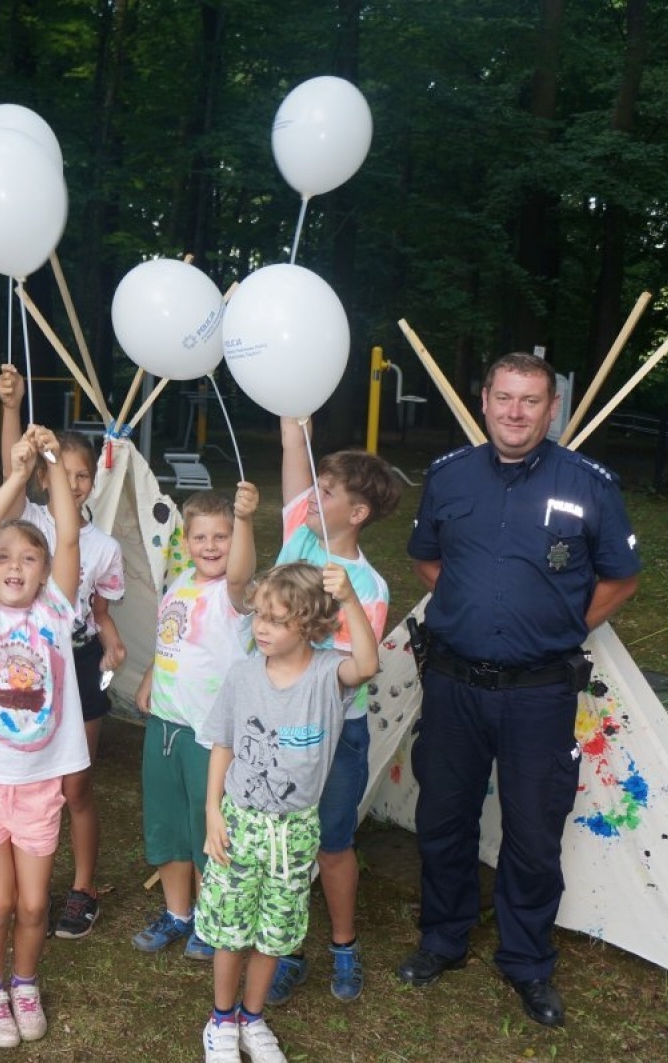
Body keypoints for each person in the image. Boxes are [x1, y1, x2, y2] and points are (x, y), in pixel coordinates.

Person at [397, 352, 641, 1028]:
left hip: (539, 692)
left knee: (533, 833)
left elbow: (621, 576)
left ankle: (527, 960)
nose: (515, 411)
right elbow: (427, 557)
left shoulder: (589, 483)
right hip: (453, 683)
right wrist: (475, 608)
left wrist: (557, 623)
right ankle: (442, 938)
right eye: (504, 397)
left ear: (552, 407)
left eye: (530, 400)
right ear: (484, 401)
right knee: (444, 817)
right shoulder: (448, 477)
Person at [197, 562, 381, 1063]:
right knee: (231, 929)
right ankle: (220, 1021)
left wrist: (349, 599)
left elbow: (366, 665)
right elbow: (224, 744)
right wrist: (214, 811)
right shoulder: (242, 675)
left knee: (274, 932)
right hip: (238, 823)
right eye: (260, 616)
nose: (262, 628)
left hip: (296, 830)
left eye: (277, 621)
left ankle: (252, 1019)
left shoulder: (328, 673)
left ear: (309, 624)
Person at [0, 424, 88, 1049]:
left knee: (34, 908)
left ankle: (24, 982)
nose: (14, 566)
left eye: (28, 558)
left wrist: (53, 461)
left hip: (38, 787)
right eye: (4, 558)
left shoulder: (56, 612)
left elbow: (68, 533)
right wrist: (15, 475)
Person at [265, 421, 401, 1003]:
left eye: (328, 491)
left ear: (358, 513)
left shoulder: (368, 587)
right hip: (277, 725)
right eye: (316, 487)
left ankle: (344, 945)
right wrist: (295, 420)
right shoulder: (299, 534)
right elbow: (293, 451)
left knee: (333, 842)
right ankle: (289, 948)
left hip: (337, 733)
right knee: (285, 841)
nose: (314, 496)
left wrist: (337, 601)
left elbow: (350, 671)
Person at [0, 365, 127, 939]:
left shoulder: (103, 546)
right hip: (26, 659)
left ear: (93, 481)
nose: (72, 484)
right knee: (29, 776)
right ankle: (29, 882)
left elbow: (99, 605)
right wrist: (13, 410)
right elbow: (11, 471)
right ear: (46, 479)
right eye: (62, 473)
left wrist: (108, 632)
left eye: (82, 475)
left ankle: (83, 887)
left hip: (76, 662)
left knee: (76, 784)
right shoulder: (25, 521)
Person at [132, 486, 256, 960]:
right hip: (165, 726)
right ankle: (178, 912)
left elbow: (241, 570)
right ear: (185, 542)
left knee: (208, 831)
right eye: (200, 537)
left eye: (221, 537)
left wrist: (243, 520)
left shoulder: (235, 593)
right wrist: (148, 675)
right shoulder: (180, 582)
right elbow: (171, 638)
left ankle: (210, 918)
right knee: (167, 827)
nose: (210, 546)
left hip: (210, 736)